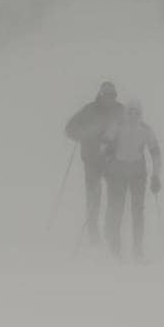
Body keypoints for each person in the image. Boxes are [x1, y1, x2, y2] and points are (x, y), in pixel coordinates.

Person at [101, 99, 162, 261]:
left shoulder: (145, 129)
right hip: (119, 172)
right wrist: (107, 151)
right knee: (117, 209)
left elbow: (155, 152)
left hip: (137, 173)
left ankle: (137, 248)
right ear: (126, 112)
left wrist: (156, 175)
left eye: (137, 113)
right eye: (130, 112)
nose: (133, 115)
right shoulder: (118, 125)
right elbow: (105, 142)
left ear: (140, 114)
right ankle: (115, 249)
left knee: (137, 211)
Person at [65, 81, 123, 245]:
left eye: (112, 95)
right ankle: (93, 234)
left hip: (113, 160)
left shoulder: (120, 110)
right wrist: (85, 134)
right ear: (100, 95)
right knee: (93, 198)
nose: (109, 98)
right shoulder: (89, 110)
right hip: (92, 160)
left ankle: (110, 231)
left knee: (114, 197)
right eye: (106, 95)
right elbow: (69, 128)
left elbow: (131, 128)